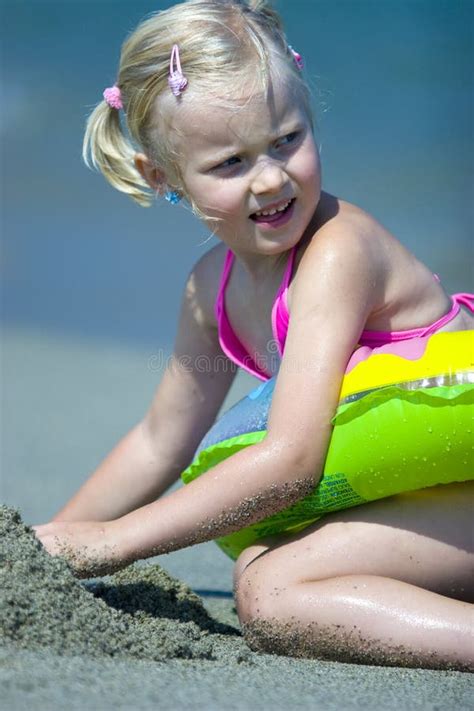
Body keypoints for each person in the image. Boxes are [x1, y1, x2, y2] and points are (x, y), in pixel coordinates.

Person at [33, 0, 473, 669]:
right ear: (164, 176)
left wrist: (115, 542)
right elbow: (159, 439)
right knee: (265, 573)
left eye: (287, 140)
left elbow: (292, 460)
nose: (271, 177)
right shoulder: (209, 292)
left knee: (271, 591)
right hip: (432, 504)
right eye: (231, 161)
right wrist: (55, 549)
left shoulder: (338, 251)